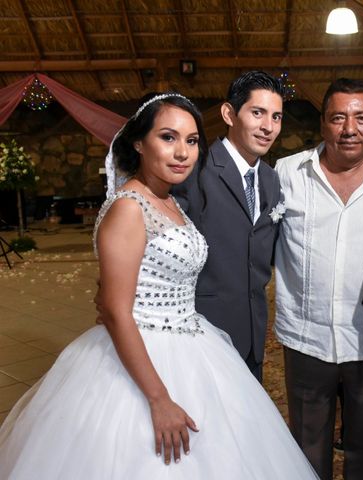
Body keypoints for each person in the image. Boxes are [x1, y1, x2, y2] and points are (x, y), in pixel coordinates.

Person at [0, 93, 318, 479]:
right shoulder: (129, 207)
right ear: (138, 142)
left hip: (195, 341)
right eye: (168, 137)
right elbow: (117, 311)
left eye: (191, 140)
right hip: (146, 354)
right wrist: (159, 398)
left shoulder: (170, 200)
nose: (182, 152)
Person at [274, 78, 363, 480]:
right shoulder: (287, 174)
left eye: (360, 118)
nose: (349, 128)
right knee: (306, 445)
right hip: (305, 337)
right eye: (338, 118)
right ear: (323, 124)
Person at [172, 71, 284, 381]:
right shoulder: (196, 170)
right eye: (257, 113)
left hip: (253, 338)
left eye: (276, 117)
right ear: (229, 114)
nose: (268, 126)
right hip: (202, 335)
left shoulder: (272, 180)